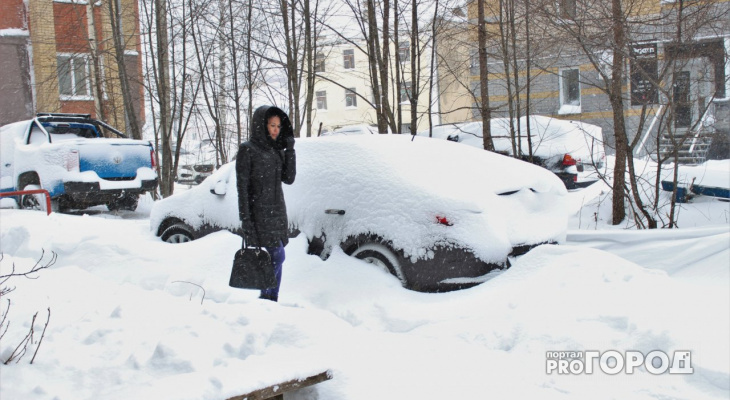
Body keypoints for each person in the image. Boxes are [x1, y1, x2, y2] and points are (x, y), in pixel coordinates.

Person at [236, 106, 296, 302]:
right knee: (277, 257)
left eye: (278, 126)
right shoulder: (248, 150)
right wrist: (246, 221)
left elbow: (289, 178)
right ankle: (267, 297)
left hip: (278, 213)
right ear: (262, 125)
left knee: (276, 257)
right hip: (259, 214)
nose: (276, 130)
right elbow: (242, 189)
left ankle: (271, 298)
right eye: (272, 125)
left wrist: (289, 150)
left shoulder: (276, 150)